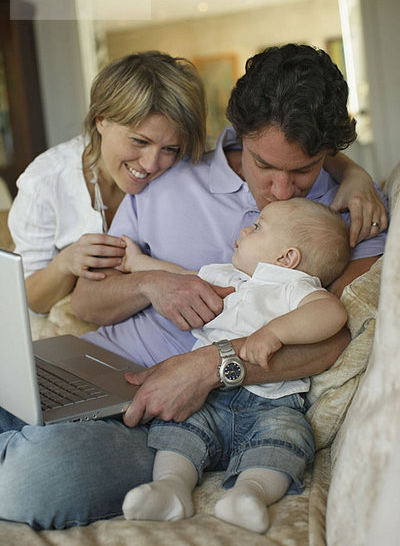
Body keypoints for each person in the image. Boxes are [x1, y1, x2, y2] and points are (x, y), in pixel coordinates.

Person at [0, 44, 388, 530]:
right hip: (93, 364)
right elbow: (86, 302)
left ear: (329, 155)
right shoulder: (170, 175)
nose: (283, 190)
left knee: (33, 481)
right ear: (238, 134)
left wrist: (209, 366)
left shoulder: (348, 218)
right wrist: (152, 285)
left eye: (304, 170)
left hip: (178, 413)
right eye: (264, 165)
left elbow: (333, 337)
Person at [118, 198, 349, 533]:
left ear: (287, 258)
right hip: (207, 398)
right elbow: (182, 277)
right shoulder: (227, 276)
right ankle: (172, 488)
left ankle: (248, 494)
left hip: (272, 406)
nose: (245, 228)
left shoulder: (293, 287)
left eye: (258, 227)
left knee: (288, 439)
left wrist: (274, 332)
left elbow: (332, 314)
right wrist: (138, 261)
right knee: (180, 429)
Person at [7, 51, 210, 314]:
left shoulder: (189, 170)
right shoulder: (45, 182)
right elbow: (31, 302)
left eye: (170, 148)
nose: (150, 164)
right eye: (139, 141)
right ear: (101, 119)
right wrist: (65, 263)